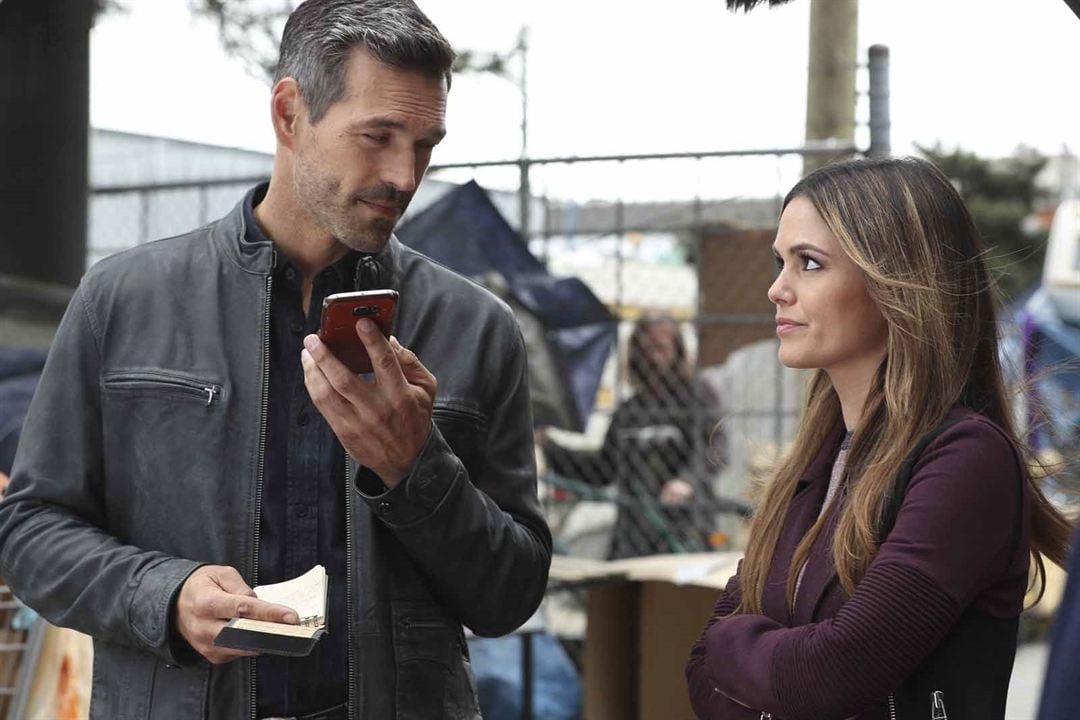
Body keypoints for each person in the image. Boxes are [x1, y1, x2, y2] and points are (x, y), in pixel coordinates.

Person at [0, 2, 552, 718]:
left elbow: (510, 594)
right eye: (377, 136)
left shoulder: (476, 328)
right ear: (289, 113)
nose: (404, 174)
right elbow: (32, 531)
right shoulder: (124, 300)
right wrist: (165, 594)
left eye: (425, 143)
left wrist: (416, 469)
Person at [685, 157, 1071, 719]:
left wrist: (737, 649)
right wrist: (766, 663)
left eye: (809, 264)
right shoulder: (815, 462)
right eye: (780, 263)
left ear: (895, 283)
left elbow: (833, 674)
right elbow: (699, 670)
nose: (776, 290)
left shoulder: (965, 460)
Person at [540, 312, 733, 559]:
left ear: (677, 351)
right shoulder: (629, 411)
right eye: (645, 350)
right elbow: (601, 469)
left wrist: (687, 481)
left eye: (661, 349)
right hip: (633, 536)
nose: (652, 358)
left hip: (683, 531)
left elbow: (714, 447)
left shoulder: (696, 397)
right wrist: (549, 446)